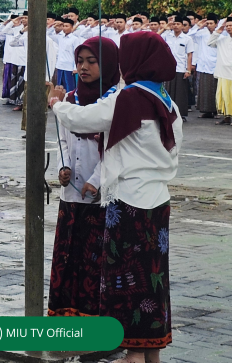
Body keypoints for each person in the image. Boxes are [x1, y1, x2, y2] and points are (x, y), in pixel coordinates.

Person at [50, 31, 181, 363]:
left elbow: (84, 118)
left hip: (129, 204)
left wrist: (56, 104)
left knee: (128, 282)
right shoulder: (166, 99)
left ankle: (133, 355)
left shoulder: (131, 97)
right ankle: (150, 352)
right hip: (158, 201)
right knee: (153, 281)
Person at [48, 36, 119, 319]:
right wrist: (63, 168)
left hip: (98, 194)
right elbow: (63, 140)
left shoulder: (113, 101)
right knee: (70, 254)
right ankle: (67, 312)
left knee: (95, 258)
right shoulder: (70, 99)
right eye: (80, 62)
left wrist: (96, 179)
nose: (84, 67)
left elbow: (114, 148)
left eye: (92, 61)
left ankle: (96, 316)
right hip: (72, 193)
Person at [162, 16, 194, 121]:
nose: (176, 26)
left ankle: (181, 114)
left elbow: (189, 54)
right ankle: (168, 113)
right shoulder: (167, 36)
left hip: (181, 68)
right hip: (168, 68)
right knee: (168, 91)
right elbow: (155, 37)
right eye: (174, 24)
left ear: (182, 26)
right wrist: (165, 27)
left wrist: (188, 69)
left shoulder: (187, 39)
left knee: (180, 93)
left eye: (178, 24)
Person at [192, 14, 219, 118]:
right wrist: (199, 26)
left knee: (215, 88)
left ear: (216, 24)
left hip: (215, 65)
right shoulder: (201, 33)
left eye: (211, 23)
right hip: (203, 65)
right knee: (204, 89)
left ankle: (216, 111)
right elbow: (190, 36)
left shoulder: (221, 34)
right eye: (207, 23)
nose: (209, 25)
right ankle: (206, 111)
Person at [51, 18, 79, 92]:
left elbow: (76, 53)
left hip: (69, 67)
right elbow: (49, 34)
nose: (64, 28)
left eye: (67, 26)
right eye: (63, 26)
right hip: (60, 65)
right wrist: (56, 24)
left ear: (72, 27)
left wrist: (75, 67)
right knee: (59, 87)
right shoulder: (60, 37)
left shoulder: (74, 39)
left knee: (69, 87)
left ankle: (69, 102)